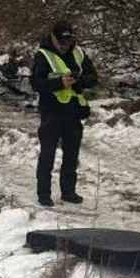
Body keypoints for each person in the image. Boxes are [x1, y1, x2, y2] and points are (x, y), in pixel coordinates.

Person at [31, 20, 98, 207]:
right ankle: (44, 194)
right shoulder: (43, 55)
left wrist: (79, 81)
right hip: (51, 111)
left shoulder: (78, 53)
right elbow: (36, 83)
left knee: (71, 155)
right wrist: (60, 83)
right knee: (48, 154)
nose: (64, 45)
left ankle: (68, 192)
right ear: (53, 37)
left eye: (68, 41)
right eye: (61, 41)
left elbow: (93, 78)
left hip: (74, 111)